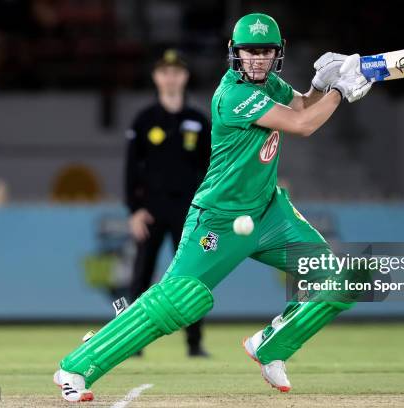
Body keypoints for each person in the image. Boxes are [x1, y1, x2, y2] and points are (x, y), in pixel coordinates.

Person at [53, 13, 372, 402]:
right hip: (218, 220)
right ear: (234, 54)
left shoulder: (270, 83)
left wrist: (321, 85)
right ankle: (76, 366)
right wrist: (340, 90)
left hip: (270, 213)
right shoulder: (233, 95)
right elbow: (304, 124)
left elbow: (304, 104)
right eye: (249, 52)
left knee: (341, 280)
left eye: (265, 51)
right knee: (180, 300)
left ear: (277, 54)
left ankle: (271, 347)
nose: (257, 59)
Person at [119, 49, 211, 357]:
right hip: (152, 211)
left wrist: (207, 210)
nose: (170, 77)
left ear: (184, 77)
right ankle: (132, 344)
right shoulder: (145, 120)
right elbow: (131, 170)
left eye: (176, 72)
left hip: (189, 213)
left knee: (190, 278)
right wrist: (134, 211)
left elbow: (212, 169)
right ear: (156, 77)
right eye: (164, 72)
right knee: (141, 276)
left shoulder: (198, 121)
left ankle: (195, 344)